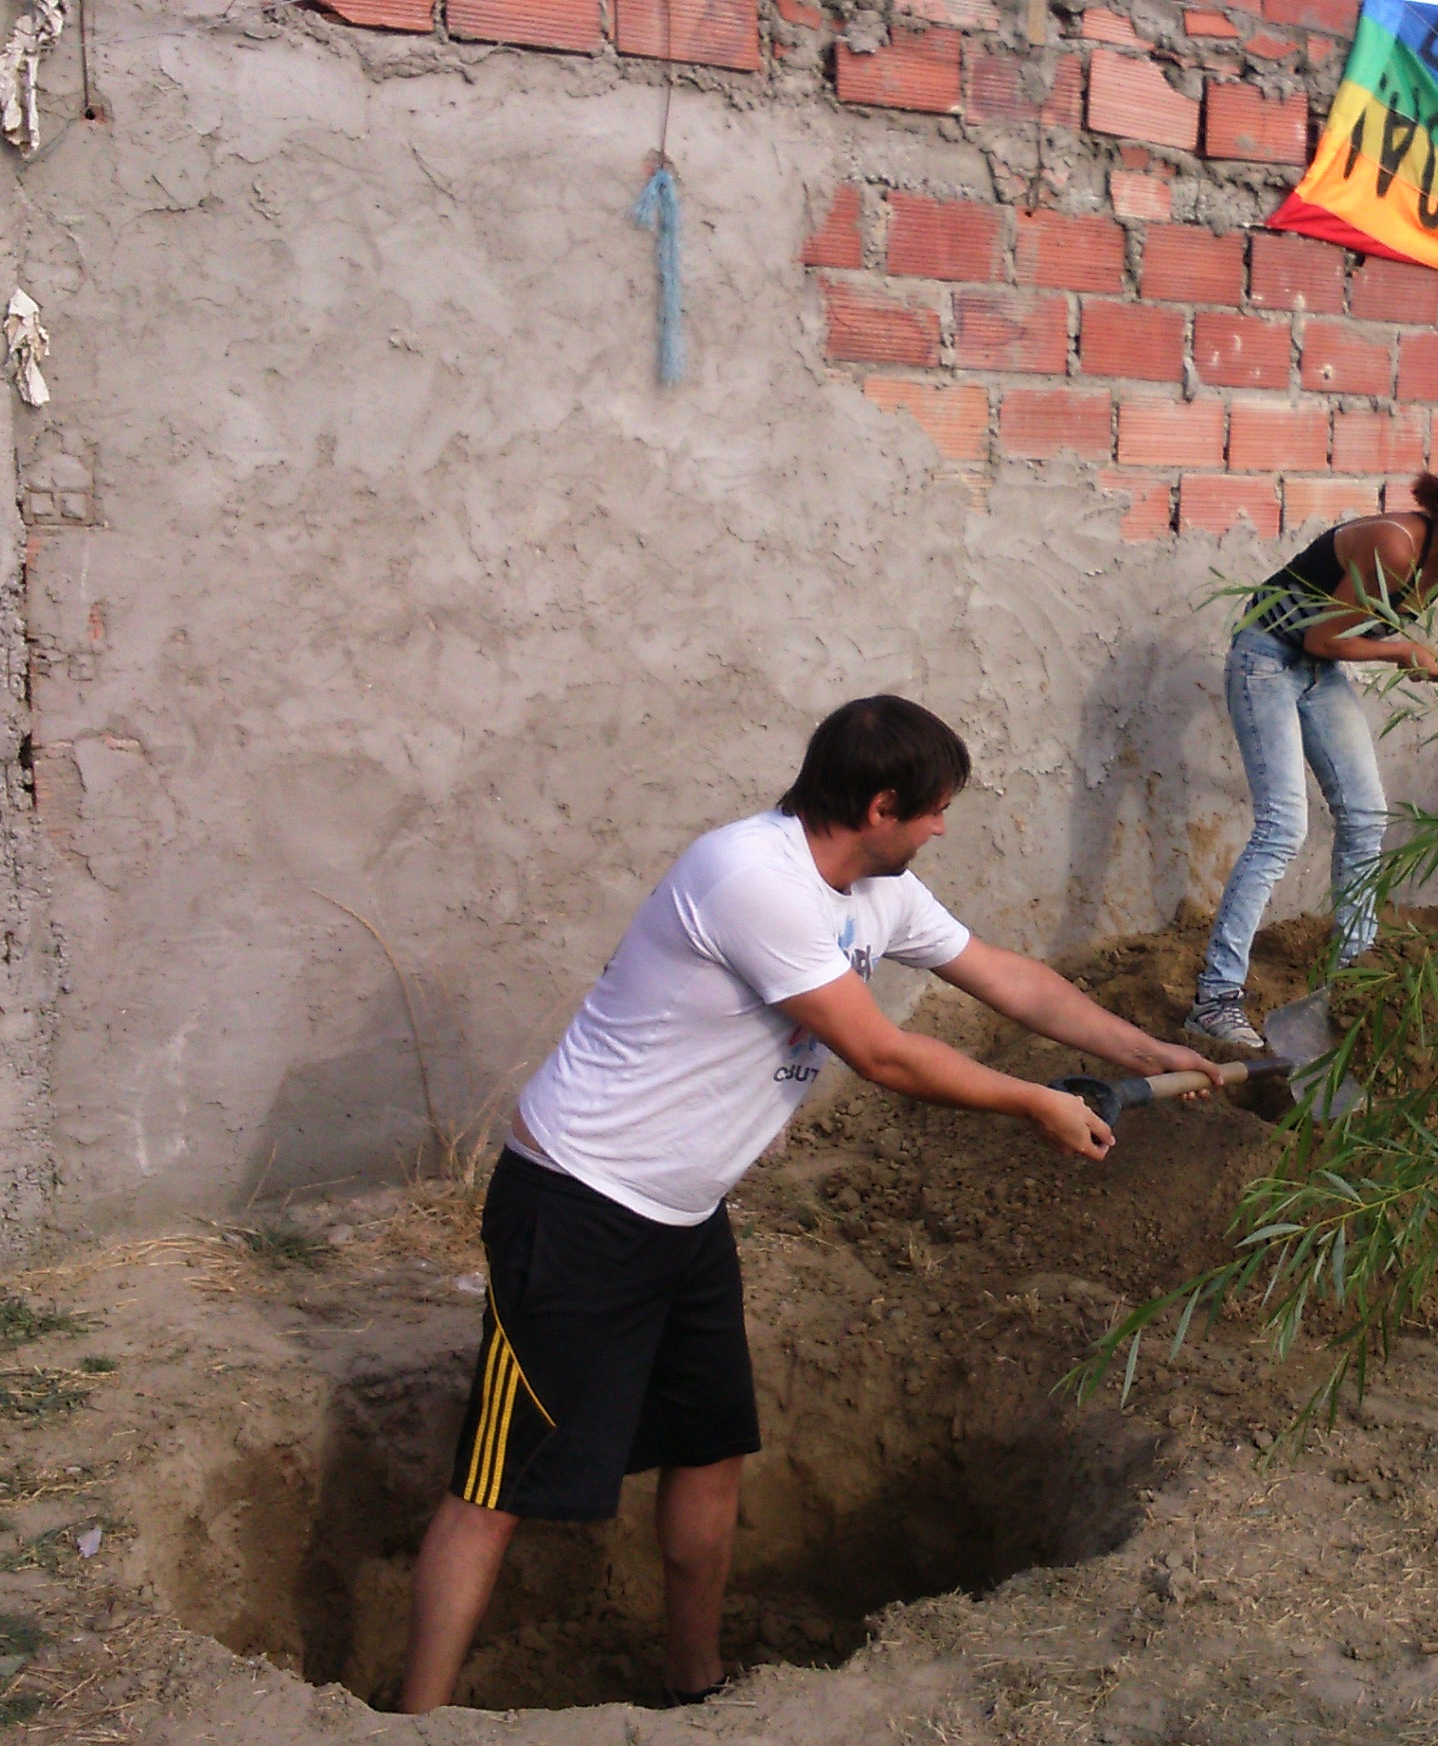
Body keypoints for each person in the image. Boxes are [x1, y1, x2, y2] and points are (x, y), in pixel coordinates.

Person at [396, 696, 1223, 1714]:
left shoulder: (879, 891)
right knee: (498, 1489)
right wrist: (1033, 1101)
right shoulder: (751, 877)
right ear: (879, 806)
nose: (941, 829)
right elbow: (878, 1052)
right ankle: (417, 1718)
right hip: (577, 1205)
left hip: (684, 1218)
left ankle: (693, 1689)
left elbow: (1005, 979)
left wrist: (1141, 1049)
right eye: (933, 812)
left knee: (709, 1453)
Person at [1185, 463, 1438, 1052]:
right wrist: (1402, 649)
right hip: (1267, 658)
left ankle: (1354, 983)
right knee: (1284, 827)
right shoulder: (1396, 545)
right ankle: (1215, 998)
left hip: (1314, 671)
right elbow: (1321, 637)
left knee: (1365, 817)